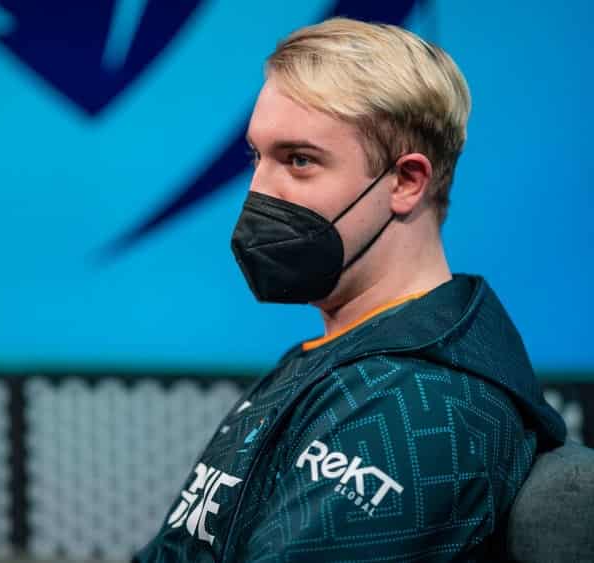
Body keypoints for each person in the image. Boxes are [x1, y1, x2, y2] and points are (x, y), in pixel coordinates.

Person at [135, 17, 566, 562]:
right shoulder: (340, 359)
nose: (258, 191)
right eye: (256, 157)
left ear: (405, 182)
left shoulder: (418, 407)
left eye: (299, 161)